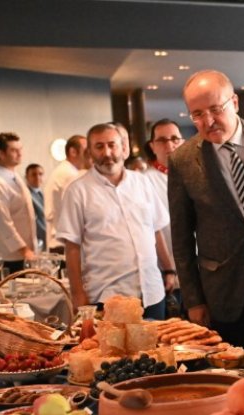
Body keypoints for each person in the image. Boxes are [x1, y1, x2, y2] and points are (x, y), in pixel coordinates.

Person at [168, 70, 244, 357]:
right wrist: (194, 300)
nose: (208, 121)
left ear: (234, 102)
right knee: (233, 372)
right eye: (197, 114)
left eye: (215, 109)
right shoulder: (183, 160)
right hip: (223, 286)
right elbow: (182, 237)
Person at [56, 123, 175, 319]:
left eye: (112, 145)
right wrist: (78, 295)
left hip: (152, 292)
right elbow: (72, 247)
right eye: (99, 146)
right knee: (115, 350)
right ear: (90, 153)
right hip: (108, 295)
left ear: (123, 147)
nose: (107, 152)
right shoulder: (78, 191)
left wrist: (169, 269)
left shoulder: (142, 182)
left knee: (157, 349)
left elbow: (156, 229)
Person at [0, 132, 37, 274]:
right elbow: (2, 222)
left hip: (25, 253)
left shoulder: (15, 176)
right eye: (14, 150)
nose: (19, 154)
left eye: (20, 149)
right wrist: (24, 249)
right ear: (0, 153)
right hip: (7, 257)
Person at [145, 118, 184, 316]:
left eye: (174, 139)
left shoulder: (194, 175)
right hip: (165, 273)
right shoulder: (145, 180)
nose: (169, 145)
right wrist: (168, 269)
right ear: (153, 146)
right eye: (162, 140)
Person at [44, 135, 87, 254]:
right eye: (86, 150)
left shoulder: (68, 172)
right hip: (65, 243)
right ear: (73, 151)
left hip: (62, 240)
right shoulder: (69, 175)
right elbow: (75, 213)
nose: (91, 154)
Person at [25, 163, 46, 251]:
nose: (37, 177)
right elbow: (36, 220)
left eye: (40, 174)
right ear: (27, 177)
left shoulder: (43, 193)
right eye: (33, 174)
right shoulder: (26, 195)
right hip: (37, 239)